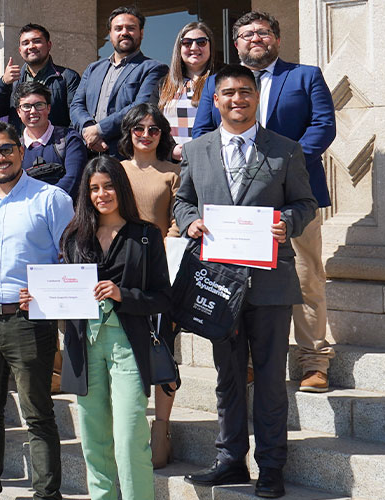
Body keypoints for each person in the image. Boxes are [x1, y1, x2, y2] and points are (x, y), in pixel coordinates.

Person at [175, 64, 317, 499]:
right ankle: (230, 458)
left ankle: (271, 466)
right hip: (218, 284)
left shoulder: (286, 149)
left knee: (271, 377)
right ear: (215, 100)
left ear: (257, 97)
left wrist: (287, 223)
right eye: (228, 93)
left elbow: (305, 203)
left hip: (270, 282)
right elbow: (182, 200)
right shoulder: (197, 150)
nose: (238, 100)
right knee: (229, 375)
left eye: (245, 92)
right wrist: (191, 223)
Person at [191, 11, 337, 393]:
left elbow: (323, 125)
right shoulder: (217, 84)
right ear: (236, 43)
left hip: (293, 199)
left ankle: (313, 361)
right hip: (233, 208)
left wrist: (278, 165)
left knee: (306, 278)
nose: (255, 38)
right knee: (238, 282)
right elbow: (202, 134)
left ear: (276, 37)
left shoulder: (305, 76)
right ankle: (249, 360)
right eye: (246, 34)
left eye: (263, 32)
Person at [27, 156, 170, 500]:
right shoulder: (75, 237)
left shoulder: (146, 236)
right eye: (94, 188)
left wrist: (124, 295)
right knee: (93, 439)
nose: (101, 194)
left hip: (128, 344)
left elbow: (163, 298)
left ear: (120, 186)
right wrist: (37, 298)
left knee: (130, 435)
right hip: (83, 345)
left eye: (108, 186)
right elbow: (64, 292)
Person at [0, 122, 73, 500]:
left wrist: (43, 292)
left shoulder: (51, 199)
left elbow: (69, 258)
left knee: (38, 414)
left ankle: (46, 494)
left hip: (28, 322)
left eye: (6, 149)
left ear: (21, 150)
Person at [116, 103, 180, 468]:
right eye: (138, 128)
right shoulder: (116, 170)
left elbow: (176, 222)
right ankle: (130, 423)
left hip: (158, 271)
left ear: (162, 133)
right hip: (119, 272)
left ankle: (161, 428)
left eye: (153, 129)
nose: (145, 135)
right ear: (128, 132)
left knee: (162, 349)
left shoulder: (172, 173)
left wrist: (163, 258)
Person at [70, 6, 168, 155]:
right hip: (88, 153)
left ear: (141, 33)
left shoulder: (154, 69)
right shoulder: (93, 69)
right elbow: (76, 105)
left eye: (131, 28)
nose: (124, 33)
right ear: (110, 34)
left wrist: (99, 130)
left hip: (125, 154)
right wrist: (88, 129)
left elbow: (140, 108)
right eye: (118, 28)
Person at [0, 23, 81, 131]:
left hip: (56, 145)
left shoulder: (67, 77)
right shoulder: (13, 80)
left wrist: (67, 142)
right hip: (22, 145)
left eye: (37, 41)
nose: (31, 46)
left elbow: (76, 116)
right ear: (20, 50)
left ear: (49, 45)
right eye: (25, 43)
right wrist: (3, 83)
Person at [16, 81, 88, 197]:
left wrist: (43, 202)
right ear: (18, 112)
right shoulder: (15, 148)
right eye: (26, 106)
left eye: (39, 105)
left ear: (49, 108)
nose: (33, 111)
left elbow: (74, 179)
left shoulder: (70, 139)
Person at [159, 22, 215, 162]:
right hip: (173, 165)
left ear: (210, 46)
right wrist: (170, 150)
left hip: (209, 161)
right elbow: (154, 123)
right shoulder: (163, 84)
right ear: (179, 48)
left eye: (201, 42)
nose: (194, 47)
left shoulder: (221, 82)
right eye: (187, 43)